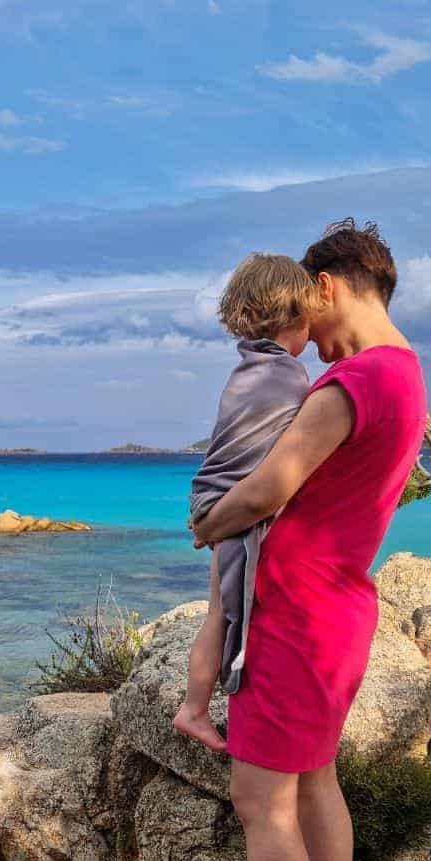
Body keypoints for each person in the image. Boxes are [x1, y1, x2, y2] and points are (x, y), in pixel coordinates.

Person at [177, 219, 427, 861]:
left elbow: (268, 487)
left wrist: (206, 521)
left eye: (303, 304)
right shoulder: (407, 374)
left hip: (295, 616)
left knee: (263, 805)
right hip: (339, 608)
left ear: (327, 286)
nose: (299, 328)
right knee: (314, 783)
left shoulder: (351, 381)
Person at [172, 253, 319, 753]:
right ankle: (194, 709)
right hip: (230, 505)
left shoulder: (249, 369)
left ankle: (194, 706)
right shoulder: (288, 376)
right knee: (230, 613)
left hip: (213, 496)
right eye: (309, 324)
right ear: (295, 316)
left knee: (216, 610)